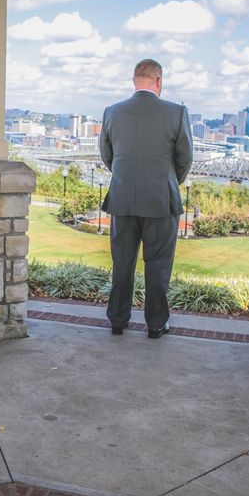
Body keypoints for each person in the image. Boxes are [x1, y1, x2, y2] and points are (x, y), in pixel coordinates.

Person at [99, 59, 193, 339]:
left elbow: (107, 155)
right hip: (161, 200)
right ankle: (155, 324)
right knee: (158, 265)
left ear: (134, 80)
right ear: (159, 81)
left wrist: (126, 178)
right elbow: (185, 158)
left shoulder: (111, 112)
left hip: (123, 198)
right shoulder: (177, 112)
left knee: (123, 262)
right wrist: (165, 181)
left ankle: (117, 320)